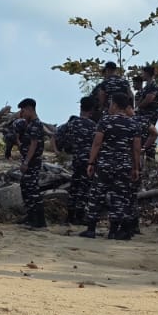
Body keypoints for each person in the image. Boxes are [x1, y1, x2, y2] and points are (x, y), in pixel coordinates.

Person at [82, 90, 142, 240]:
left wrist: (91, 162)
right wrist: (135, 168)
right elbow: (136, 149)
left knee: (97, 195)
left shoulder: (105, 121)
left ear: (114, 105)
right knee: (119, 198)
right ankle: (113, 231)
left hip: (105, 164)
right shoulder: (133, 124)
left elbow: (97, 143)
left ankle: (91, 229)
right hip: (123, 166)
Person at [54, 96, 98, 225]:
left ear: (80, 108)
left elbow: (57, 135)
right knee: (85, 188)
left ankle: (70, 215)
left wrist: (60, 150)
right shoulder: (94, 126)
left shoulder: (71, 124)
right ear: (92, 110)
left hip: (76, 159)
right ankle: (79, 216)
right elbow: (97, 144)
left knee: (74, 187)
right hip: (88, 161)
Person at [15, 98, 48, 229]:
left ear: (30, 109)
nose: (21, 114)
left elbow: (34, 144)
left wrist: (27, 162)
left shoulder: (36, 124)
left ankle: (39, 221)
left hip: (33, 162)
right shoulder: (28, 124)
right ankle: (30, 216)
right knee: (25, 187)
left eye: (23, 111)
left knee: (33, 190)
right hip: (28, 161)